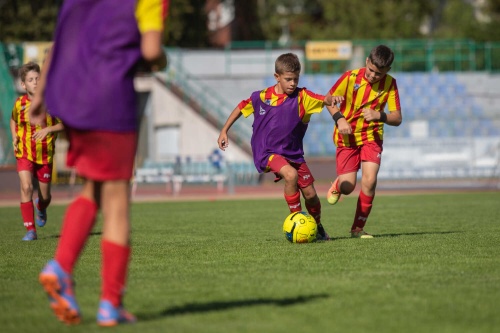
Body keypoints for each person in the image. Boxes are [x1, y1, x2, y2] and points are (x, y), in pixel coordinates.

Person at [29, 0, 168, 326]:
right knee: (118, 202)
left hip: (71, 96)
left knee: (94, 187)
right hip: (109, 99)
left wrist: (39, 96)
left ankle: (63, 269)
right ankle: (107, 302)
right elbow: (150, 51)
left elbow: (61, 41)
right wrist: (162, 58)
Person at [217, 53, 343, 241]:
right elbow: (240, 107)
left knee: (311, 196)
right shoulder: (260, 97)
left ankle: (317, 228)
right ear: (277, 77)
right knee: (290, 175)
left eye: (296, 79)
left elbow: (324, 99)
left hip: (293, 154)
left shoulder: (303, 97)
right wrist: (224, 130)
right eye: (288, 79)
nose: (292, 83)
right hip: (266, 152)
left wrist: (335, 108)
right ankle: (298, 222)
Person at [325, 45, 402, 238]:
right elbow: (328, 100)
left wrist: (379, 115)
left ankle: (357, 229)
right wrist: (339, 118)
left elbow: (397, 118)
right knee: (348, 187)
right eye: (371, 70)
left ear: (387, 71)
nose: (374, 76)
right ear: (367, 61)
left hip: (372, 137)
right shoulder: (350, 77)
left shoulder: (390, 84)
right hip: (347, 137)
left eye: (379, 73)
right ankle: (338, 184)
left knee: (370, 180)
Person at [9, 61, 64, 241]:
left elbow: (65, 124)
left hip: (45, 155)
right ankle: (30, 230)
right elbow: (13, 120)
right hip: (24, 153)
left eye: (37, 79)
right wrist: (14, 136)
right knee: (26, 187)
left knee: (45, 197)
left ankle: (41, 206)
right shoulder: (19, 104)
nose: (35, 82)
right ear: (24, 84)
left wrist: (48, 129)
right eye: (31, 79)